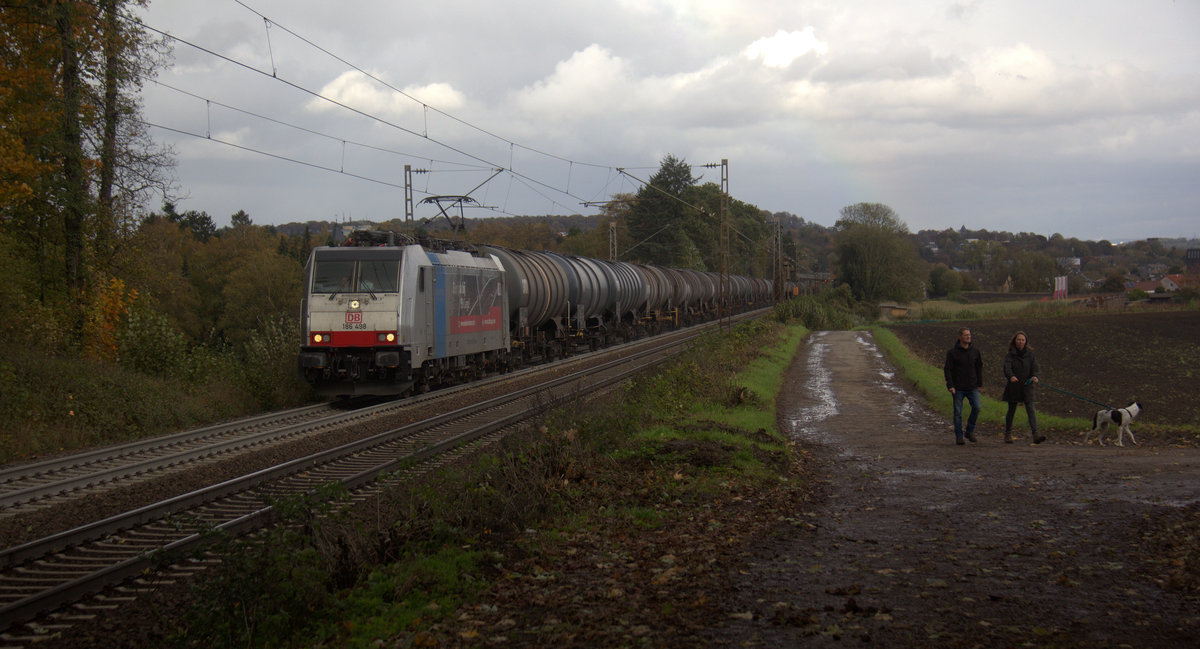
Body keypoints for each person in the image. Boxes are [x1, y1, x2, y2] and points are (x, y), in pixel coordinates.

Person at [1002, 331, 1046, 444]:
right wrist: (1011, 376)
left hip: (1027, 386)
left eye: (1022, 340)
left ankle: (1036, 434)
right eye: (1018, 340)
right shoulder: (1010, 354)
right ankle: (1008, 434)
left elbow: (1035, 367)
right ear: (1014, 341)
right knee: (1011, 410)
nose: (1020, 342)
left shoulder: (1030, 354)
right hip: (1014, 386)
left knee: (1031, 409)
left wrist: (1035, 376)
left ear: (1026, 341)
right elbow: (1007, 367)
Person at [943, 327, 982, 445]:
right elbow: (948, 370)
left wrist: (979, 384)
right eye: (965, 335)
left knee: (977, 407)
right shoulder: (952, 353)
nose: (968, 337)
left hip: (972, 386)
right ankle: (959, 436)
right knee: (958, 412)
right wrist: (950, 385)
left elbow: (979, 368)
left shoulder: (975, 352)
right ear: (959, 337)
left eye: (969, 335)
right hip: (958, 387)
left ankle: (969, 431)